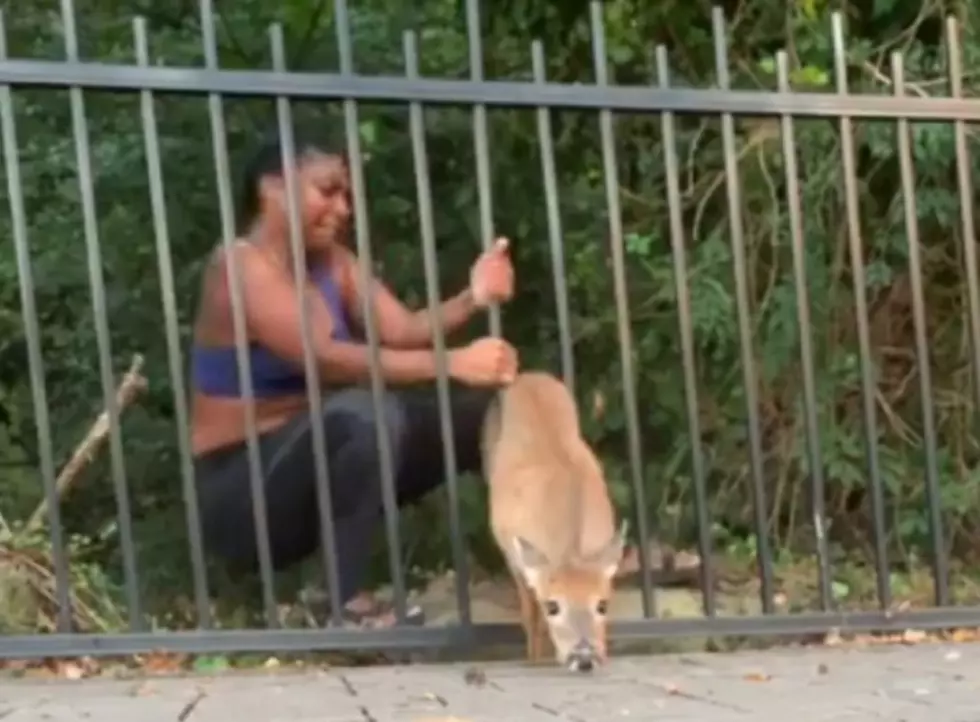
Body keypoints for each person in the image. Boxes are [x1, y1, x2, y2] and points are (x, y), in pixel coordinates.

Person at [189, 132, 518, 629]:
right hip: (245, 494)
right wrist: (451, 362)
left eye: (346, 195)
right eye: (328, 190)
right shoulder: (239, 266)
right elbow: (322, 358)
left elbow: (403, 331)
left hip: (327, 456)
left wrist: (472, 298)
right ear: (272, 188)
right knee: (366, 413)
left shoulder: (335, 263)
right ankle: (338, 605)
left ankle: (560, 555)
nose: (343, 208)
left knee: (487, 414)